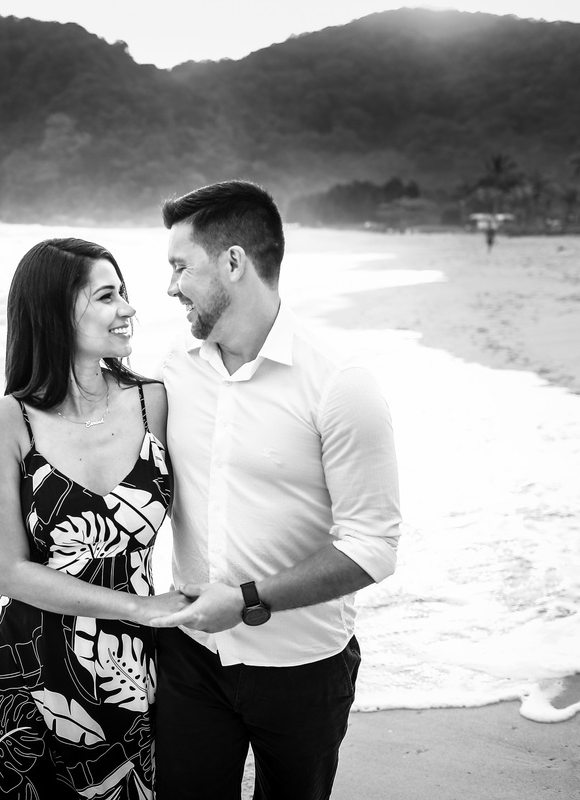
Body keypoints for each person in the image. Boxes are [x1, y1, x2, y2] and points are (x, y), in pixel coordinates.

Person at [149, 180, 403, 800]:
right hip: (190, 654)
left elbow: (374, 547)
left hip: (304, 666)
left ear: (233, 262)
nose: (169, 285)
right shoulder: (170, 369)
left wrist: (247, 599)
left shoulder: (340, 383)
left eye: (181, 266)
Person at [0, 237, 186, 799]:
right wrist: (139, 608)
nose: (129, 309)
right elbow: (8, 571)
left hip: (128, 674)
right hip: (25, 676)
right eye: (107, 297)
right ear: (55, 313)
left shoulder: (155, 401)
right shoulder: (5, 423)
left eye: (125, 293)